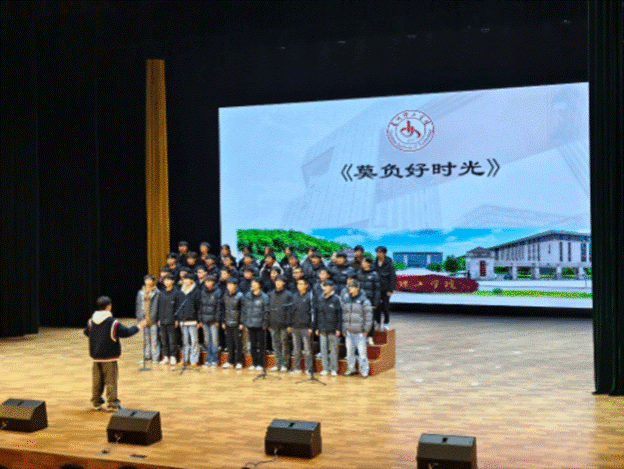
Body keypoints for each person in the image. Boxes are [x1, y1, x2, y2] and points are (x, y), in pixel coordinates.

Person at [84, 296, 147, 411]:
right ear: (109, 306)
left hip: (96, 356)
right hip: (109, 356)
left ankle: (96, 402)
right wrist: (139, 326)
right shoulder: (112, 322)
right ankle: (112, 404)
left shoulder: (91, 321)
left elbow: (86, 332)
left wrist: (97, 340)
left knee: (97, 380)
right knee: (111, 381)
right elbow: (126, 332)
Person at [341, 280, 373, 378]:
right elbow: (344, 316)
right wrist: (344, 328)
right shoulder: (346, 299)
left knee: (362, 353)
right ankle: (351, 369)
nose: (349, 288)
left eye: (352, 287)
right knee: (349, 353)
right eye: (349, 287)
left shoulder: (364, 301)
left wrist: (366, 330)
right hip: (349, 332)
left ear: (357, 288)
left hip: (360, 332)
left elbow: (368, 317)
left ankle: (364, 370)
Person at [315, 280, 342, 376]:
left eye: (327, 286)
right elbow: (318, 314)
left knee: (333, 350)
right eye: (324, 286)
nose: (325, 288)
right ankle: (325, 368)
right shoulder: (320, 298)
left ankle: (334, 369)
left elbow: (339, 315)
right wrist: (317, 327)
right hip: (322, 328)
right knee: (323, 350)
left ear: (332, 287)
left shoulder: (336, 299)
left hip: (333, 329)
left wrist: (338, 328)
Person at [242, 277, 269, 370]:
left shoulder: (264, 296)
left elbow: (266, 311)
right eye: (252, 282)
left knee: (261, 345)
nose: (253, 284)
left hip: (260, 324)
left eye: (255, 283)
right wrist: (245, 322)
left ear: (259, 285)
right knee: (252, 345)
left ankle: (260, 364)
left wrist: (265, 323)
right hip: (250, 323)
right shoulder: (247, 295)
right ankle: (254, 363)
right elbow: (244, 310)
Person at [267, 275, 293, 372]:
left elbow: (290, 311)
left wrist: (289, 324)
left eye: (280, 281)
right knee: (275, 344)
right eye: (276, 281)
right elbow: (268, 309)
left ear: (284, 283)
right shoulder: (271, 294)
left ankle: (284, 365)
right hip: (273, 323)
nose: (277, 283)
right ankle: (277, 364)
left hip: (284, 324)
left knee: (284, 344)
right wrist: (268, 323)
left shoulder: (288, 295)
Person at [289, 277, 315, 374]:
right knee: (296, 350)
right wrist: (290, 324)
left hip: (305, 327)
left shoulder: (310, 296)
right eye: (298, 284)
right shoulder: (294, 296)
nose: (298, 286)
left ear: (306, 285)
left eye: (301, 284)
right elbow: (291, 311)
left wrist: (311, 327)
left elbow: (312, 312)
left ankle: (309, 368)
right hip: (295, 326)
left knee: (307, 350)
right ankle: (296, 368)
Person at [156, 273, 181, 365]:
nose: (166, 282)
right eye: (165, 280)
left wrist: (177, 319)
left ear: (173, 281)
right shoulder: (161, 293)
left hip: (172, 320)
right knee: (164, 340)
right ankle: (166, 356)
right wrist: (159, 318)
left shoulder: (176, 293)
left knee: (172, 339)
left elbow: (178, 307)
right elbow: (159, 307)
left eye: (168, 280)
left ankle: (173, 356)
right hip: (162, 319)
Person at [135, 274, 160, 363]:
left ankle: (155, 358)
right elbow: (138, 305)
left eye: (150, 280)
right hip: (143, 319)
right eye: (146, 280)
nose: (148, 282)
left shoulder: (157, 292)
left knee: (154, 340)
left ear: (153, 281)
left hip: (153, 319)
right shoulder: (140, 292)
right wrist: (139, 318)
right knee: (146, 340)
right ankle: (146, 356)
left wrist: (158, 318)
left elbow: (159, 307)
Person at [356, 256, 381, 345]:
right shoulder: (358, 273)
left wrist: (375, 303)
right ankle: (361, 337)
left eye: (364, 261)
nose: (362, 263)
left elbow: (377, 290)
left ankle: (370, 337)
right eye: (362, 261)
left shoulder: (374, 274)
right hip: (359, 301)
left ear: (369, 263)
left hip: (370, 301)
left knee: (370, 320)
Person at [178, 273, 201, 367]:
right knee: (185, 341)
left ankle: (194, 359)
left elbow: (199, 307)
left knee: (194, 341)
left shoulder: (196, 291)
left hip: (193, 320)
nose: (185, 281)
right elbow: (178, 306)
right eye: (184, 279)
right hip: (183, 320)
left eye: (187, 279)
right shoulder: (180, 291)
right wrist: (179, 318)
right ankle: (185, 359)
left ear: (192, 280)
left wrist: (199, 320)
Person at [221, 277, 244, 369]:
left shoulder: (240, 295)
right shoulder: (225, 295)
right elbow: (223, 309)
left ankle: (239, 362)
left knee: (238, 344)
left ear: (235, 285)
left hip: (237, 323)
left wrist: (241, 322)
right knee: (229, 343)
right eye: (228, 285)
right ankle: (230, 361)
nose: (229, 286)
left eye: (231, 285)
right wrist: (223, 321)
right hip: (227, 322)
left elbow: (242, 310)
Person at [199, 275, 222, 367]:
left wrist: (217, 319)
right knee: (207, 341)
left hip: (213, 321)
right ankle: (208, 360)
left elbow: (218, 307)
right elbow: (200, 306)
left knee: (214, 341)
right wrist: (200, 319)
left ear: (213, 282)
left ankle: (214, 360)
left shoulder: (217, 291)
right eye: (206, 281)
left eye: (209, 281)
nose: (207, 283)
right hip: (204, 320)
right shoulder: (203, 292)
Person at [375, 246, 396, 330]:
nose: (378, 254)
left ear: (384, 253)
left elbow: (392, 278)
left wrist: (390, 290)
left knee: (385, 307)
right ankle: (378, 322)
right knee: (377, 306)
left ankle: (386, 323)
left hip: (386, 289)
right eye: (377, 252)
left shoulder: (389, 264)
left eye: (380, 252)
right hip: (377, 289)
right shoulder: (374, 263)